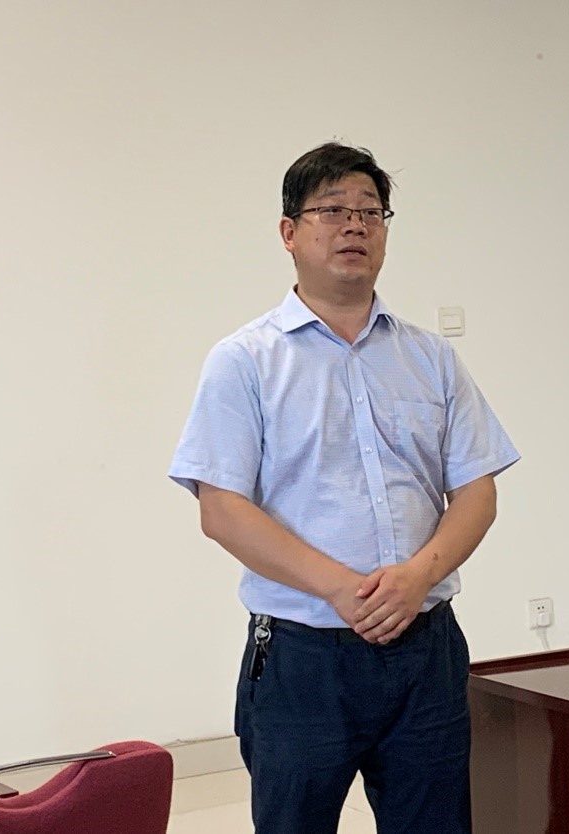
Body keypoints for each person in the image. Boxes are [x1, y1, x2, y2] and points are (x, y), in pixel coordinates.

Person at [168, 141, 519, 834]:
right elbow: (222, 509)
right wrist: (339, 588)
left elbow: (477, 490)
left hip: (425, 649)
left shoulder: (431, 357)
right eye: (332, 210)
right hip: (303, 657)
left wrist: (418, 577)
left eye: (370, 211)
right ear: (289, 231)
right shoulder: (245, 361)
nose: (354, 225)